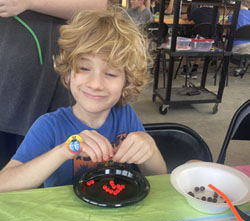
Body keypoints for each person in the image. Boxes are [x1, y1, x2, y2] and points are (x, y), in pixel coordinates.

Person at [0, 8, 167, 192]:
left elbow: (159, 177)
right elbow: (4, 184)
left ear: (126, 83)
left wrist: (149, 147)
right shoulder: (50, 126)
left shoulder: (125, 116)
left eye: (111, 73)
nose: (95, 84)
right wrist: (64, 151)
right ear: (68, 73)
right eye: (84, 68)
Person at [0, 0, 108, 170]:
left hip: (64, 80)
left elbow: (100, 6)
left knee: (68, 167)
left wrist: (29, 3)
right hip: (10, 84)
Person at [180, 5, 220, 79]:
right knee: (201, 42)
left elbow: (184, 17)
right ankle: (195, 69)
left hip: (196, 39)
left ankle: (185, 69)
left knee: (185, 40)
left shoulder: (199, 10)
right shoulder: (217, 12)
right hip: (208, 42)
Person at [228, 0, 250, 76]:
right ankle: (242, 65)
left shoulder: (235, 14)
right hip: (249, 47)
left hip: (236, 47)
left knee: (225, 44)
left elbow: (229, 22)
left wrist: (231, 14)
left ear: (239, 4)